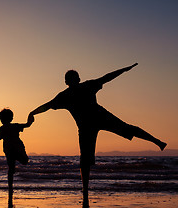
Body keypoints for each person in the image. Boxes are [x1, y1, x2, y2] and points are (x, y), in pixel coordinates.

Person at [29, 63, 166, 197]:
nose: (73, 81)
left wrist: (32, 113)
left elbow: (107, 77)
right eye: (72, 79)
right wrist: (32, 113)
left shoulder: (75, 91)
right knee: (86, 159)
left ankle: (157, 142)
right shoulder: (71, 93)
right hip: (90, 124)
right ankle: (85, 188)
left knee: (125, 130)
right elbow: (107, 77)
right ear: (72, 80)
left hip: (99, 119)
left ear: (70, 81)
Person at [0, 108, 34, 198]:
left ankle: (10, 188)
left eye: (1, 118)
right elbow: (27, 125)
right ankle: (10, 188)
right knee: (24, 161)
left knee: (11, 169)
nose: (1, 120)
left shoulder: (1, 128)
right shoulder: (15, 126)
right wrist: (31, 119)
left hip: (9, 149)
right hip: (16, 147)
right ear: (11, 118)